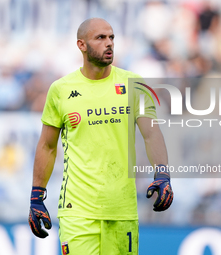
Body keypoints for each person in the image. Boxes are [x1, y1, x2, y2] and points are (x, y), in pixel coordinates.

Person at [28, 18, 173, 255]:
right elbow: (47, 146)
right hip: (78, 212)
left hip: (122, 210)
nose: (109, 44)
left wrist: (163, 173)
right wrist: (36, 196)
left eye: (112, 37)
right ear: (81, 45)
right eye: (100, 38)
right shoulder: (61, 90)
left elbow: (151, 133)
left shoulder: (134, 84)